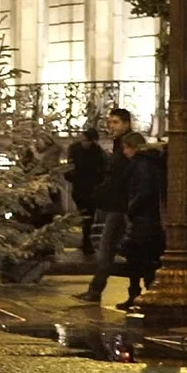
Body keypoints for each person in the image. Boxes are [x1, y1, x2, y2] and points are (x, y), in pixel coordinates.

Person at [77, 108, 136, 303]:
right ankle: (99, 290)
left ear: (127, 123)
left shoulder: (129, 145)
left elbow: (125, 177)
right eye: (110, 122)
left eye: (116, 122)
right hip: (117, 205)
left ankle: (97, 290)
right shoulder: (119, 145)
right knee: (110, 249)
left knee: (109, 248)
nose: (111, 126)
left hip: (123, 206)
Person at [117, 131, 165, 312]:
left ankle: (140, 296)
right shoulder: (149, 162)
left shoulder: (141, 164)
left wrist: (131, 208)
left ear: (132, 148)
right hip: (147, 218)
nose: (124, 152)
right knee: (142, 259)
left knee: (139, 259)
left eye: (126, 148)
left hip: (144, 219)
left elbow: (144, 191)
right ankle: (140, 295)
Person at [66, 129, 106, 256]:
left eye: (86, 140)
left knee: (89, 215)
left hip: (91, 188)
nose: (84, 143)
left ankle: (87, 240)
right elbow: (70, 167)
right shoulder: (75, 150)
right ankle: (86, 239)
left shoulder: (98, 152)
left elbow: (102, 170)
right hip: (80, 187)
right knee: (84, 215)